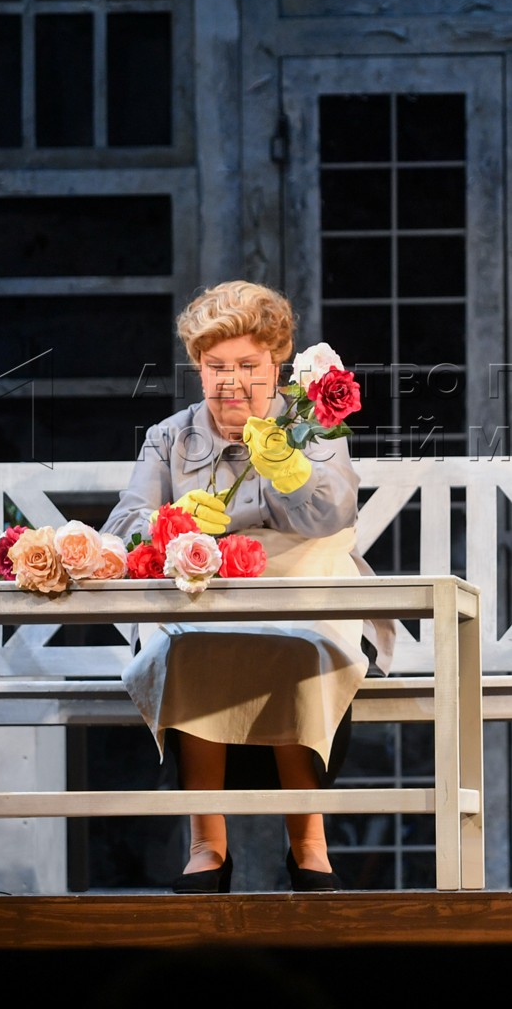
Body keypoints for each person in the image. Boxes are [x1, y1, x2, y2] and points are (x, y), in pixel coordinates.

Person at [103, 279, 395, 893]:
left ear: (277, 364)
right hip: (203, 607)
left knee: (297, 650)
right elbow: (124, 526)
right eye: (216, 367)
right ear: (197, 367)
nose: (232, 382)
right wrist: (171, 522)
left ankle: (309, 845)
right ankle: (206, 845)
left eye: (248, 366)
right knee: (187, 650)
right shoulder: (170, 437)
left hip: (304, 602)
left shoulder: (311, 425)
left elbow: (336, 512)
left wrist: (288, 472)